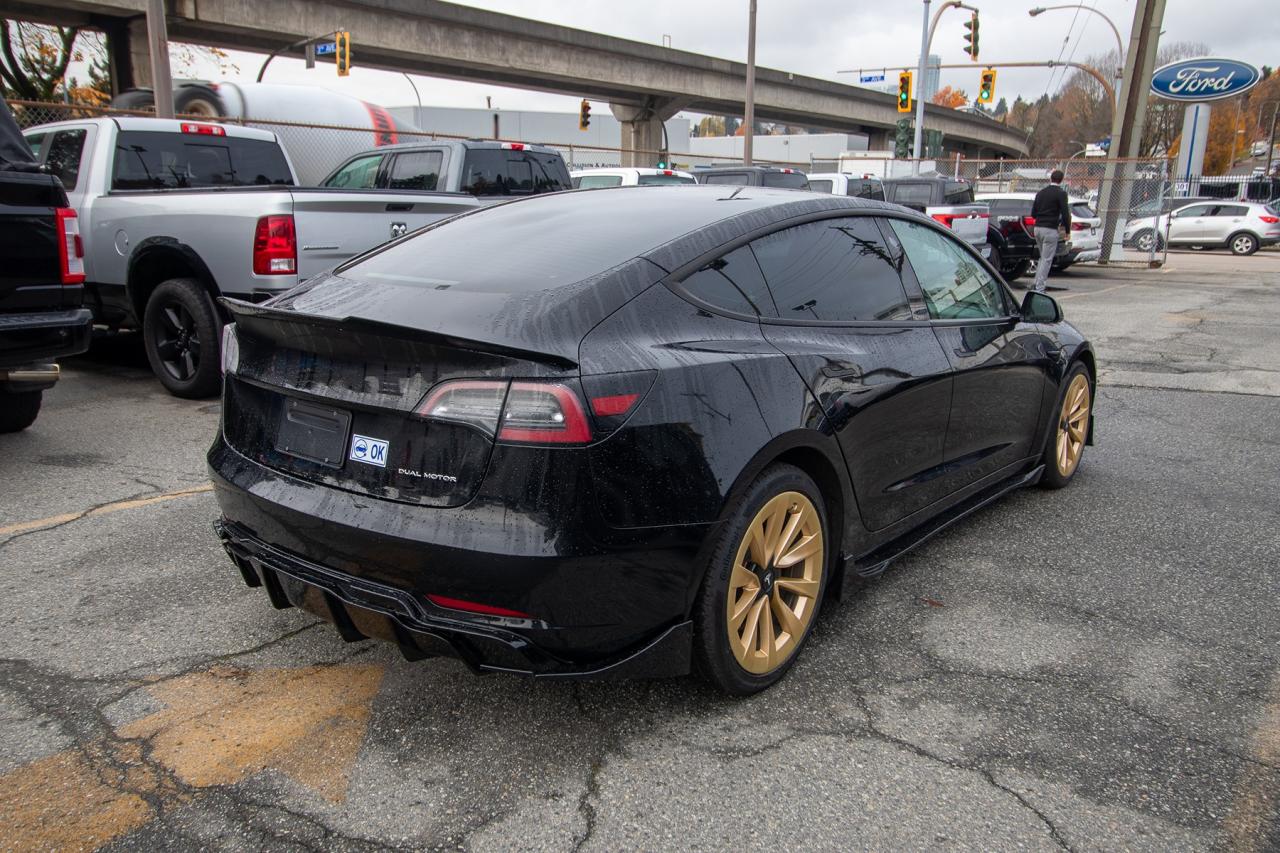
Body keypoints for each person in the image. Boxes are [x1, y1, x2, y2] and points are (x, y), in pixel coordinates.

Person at [1030, 169, 1071, 293]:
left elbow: (1033, 213)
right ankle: (1040, 287)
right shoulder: (1061, 194)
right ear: (1061, 180)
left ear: (1050, 179)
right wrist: (1067, 230)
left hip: (1037, 228)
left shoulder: (1041, 193)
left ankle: (1036, 282)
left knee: (1042, 257)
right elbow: (1065, 213)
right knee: (1047, 259)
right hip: (1050, 229)